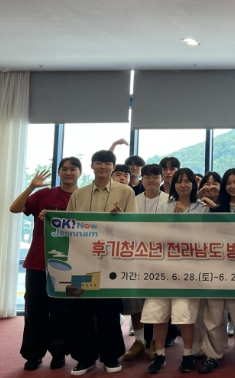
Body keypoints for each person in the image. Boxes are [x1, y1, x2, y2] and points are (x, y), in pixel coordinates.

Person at [65, 150, 137, 376]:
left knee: (108, 310)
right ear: (92, 166)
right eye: (99, 163)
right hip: (81, 261)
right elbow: (67, 224)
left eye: (107, 163)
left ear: (113, 167)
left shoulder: (125, 191)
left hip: (110, 262)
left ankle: (110, 356)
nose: (103, 167)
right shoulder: (79, 194)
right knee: (81, 311)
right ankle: (84, 358)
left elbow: (134, 225)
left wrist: (121, 218)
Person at [10, 158, 81, 371]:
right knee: (34, 309)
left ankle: (58, 353)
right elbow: (15, 208)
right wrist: (31, 186)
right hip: (38, 262)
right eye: (64, 169)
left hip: (69, 264)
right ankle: (33, 354)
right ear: (58, 172)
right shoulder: (44, 194)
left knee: (62, 311)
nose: (68, 172)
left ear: (79, 172)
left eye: (73, 169)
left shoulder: (83, 198)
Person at [143, 168, 209, 374]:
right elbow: (157, 237)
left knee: (185, 314)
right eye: (179, 181)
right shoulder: (164, 207)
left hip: (189, 268)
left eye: (187, 181)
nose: (183, 185)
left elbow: (203, 239)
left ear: (194, 184)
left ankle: (187, 355)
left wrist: (180, 222)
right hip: (163, 268)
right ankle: (159, 355)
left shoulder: (202, 209)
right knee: (158, 314)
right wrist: (174, 218)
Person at [199, 169, 235, 374]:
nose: (232, 186)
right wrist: (213, 208)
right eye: (228, 183)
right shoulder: (211, 205)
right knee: (213, 316)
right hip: (214, 265)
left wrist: (216, 210)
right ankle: (212, 355)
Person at [122, 164, 172, 363]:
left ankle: (155, 342)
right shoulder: (133, 200)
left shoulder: (170, 201)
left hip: (162, 258)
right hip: (136, 257)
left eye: (155, 176)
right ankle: (139, 340)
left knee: (158, 300)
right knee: (136, 300)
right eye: (147, 176)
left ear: (162, 179)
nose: (151, 180)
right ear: (141, 179)